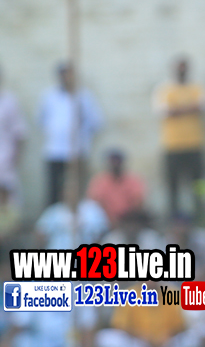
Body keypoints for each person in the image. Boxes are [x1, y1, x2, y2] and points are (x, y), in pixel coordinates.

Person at [37, 62, 103, 206]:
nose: (66, 78)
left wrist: (82, 129)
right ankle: (53, 214)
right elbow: (42, 120)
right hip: (55, 150)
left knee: (77, 188)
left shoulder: (84, 96)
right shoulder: (49, 96)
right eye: (63, 75)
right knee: (54, 189)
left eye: (69, 74)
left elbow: (96, 121)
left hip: (77, 150)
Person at [152, 56, 205, 218]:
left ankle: (200, 217)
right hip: (172, 145)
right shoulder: (164, 89)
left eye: (184, 67)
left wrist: (177, 110)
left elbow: (203, 106)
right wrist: (189, 109)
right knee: (173, 187)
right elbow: (163, 111)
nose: (181, 70)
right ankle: (174, 219)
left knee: (198, 186)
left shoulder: (197, 87)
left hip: (194, 143)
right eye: (179, 67)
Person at [86, 149, 147, 228]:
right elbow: (96, 203)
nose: (115, 164)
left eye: (117, 161)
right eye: (113, 162)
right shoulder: (100, 181)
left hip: (129, 220)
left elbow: (138, 202)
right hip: (105, 221)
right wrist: (111, 219)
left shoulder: (133, 180)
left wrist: (126, 220)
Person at [0, 64, 27, 204]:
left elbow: (19, 133)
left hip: (6, 162)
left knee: (10, 203)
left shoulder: (9, 101)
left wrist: (15, 160)